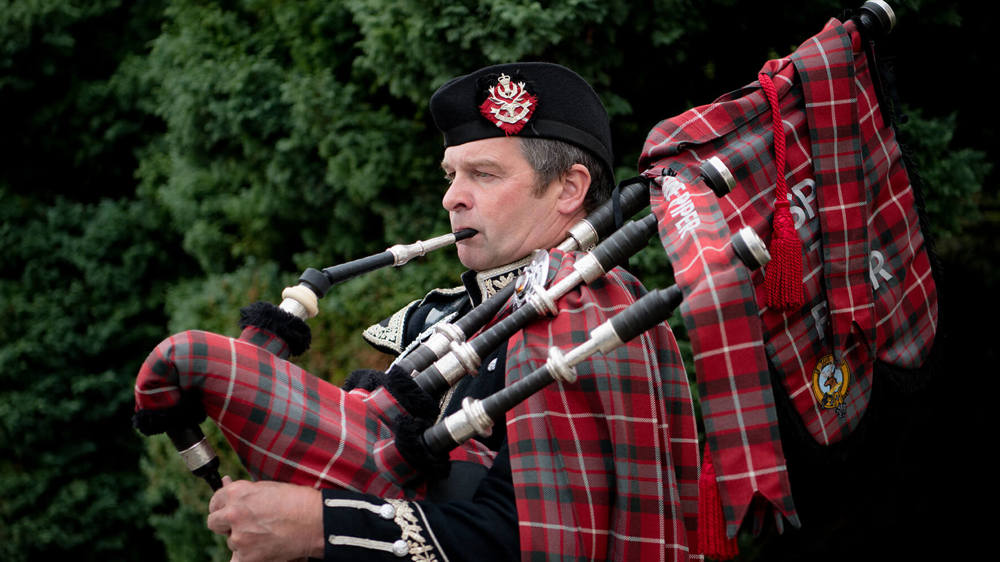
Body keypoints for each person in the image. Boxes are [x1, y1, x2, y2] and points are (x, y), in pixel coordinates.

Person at [206, 62, 700, 561]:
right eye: (451, 175)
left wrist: (318, 524)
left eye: (483, 174)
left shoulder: (581, 309)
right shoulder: (441, 320)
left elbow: (537, 539)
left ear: (569, 189)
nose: (452, 198)